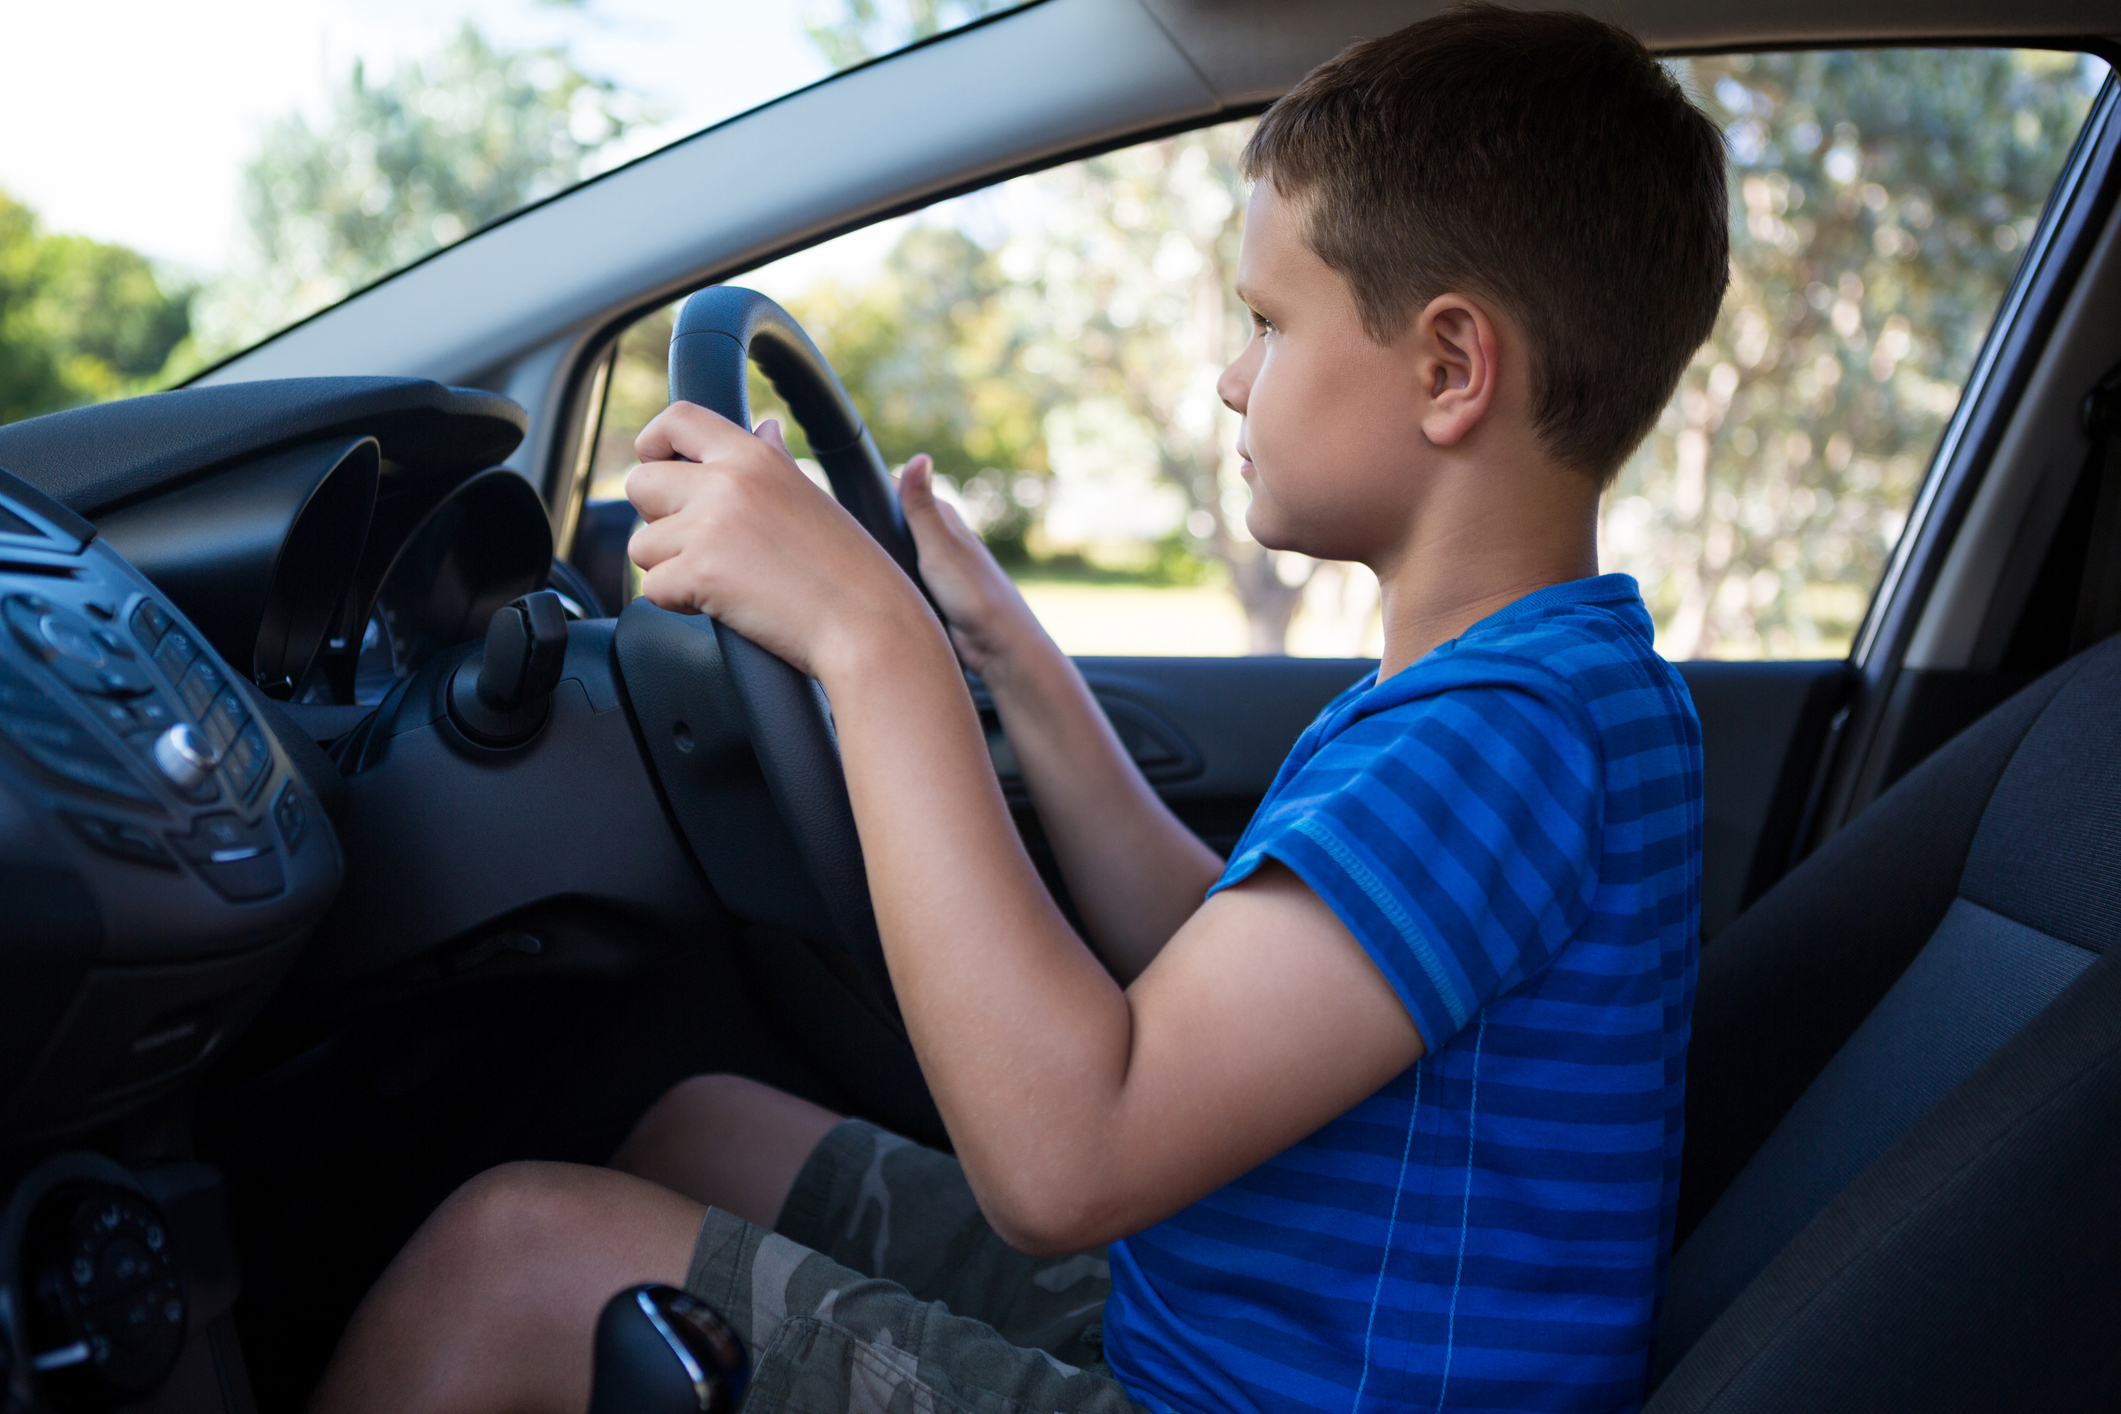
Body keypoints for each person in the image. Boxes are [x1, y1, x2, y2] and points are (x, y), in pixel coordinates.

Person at [310, 6, 1722, 1413]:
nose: (1233, 377)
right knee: (703, 1125)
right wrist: (1007, 655)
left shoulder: (1497, 742)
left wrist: (875, 648)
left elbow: (1063, 1161)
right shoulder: (1551, 695)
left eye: (1268, 323)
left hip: (1255, 1385)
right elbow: (1218, 960)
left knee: (509, 1257)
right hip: (1241, 1313)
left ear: (1448, 369)